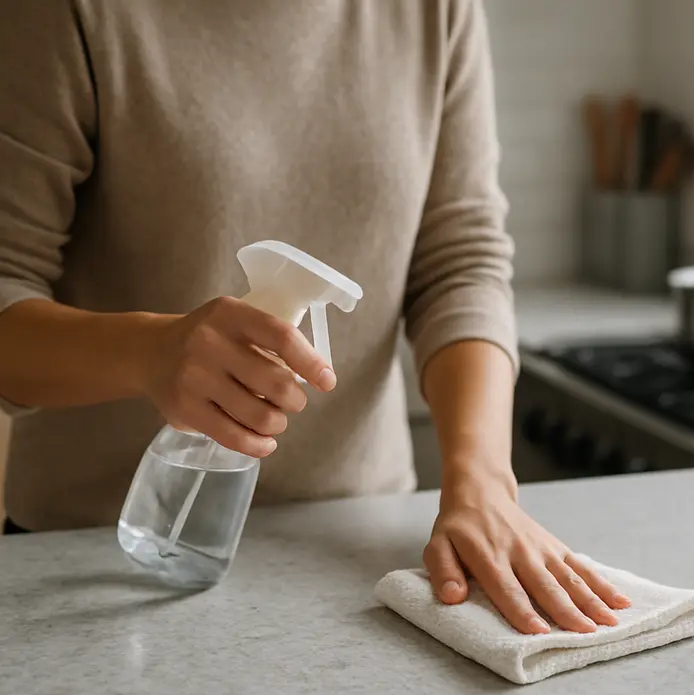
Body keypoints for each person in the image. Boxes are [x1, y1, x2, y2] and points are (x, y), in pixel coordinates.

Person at [0, 0, 631, 634]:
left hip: (354, 563)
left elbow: (460, 267)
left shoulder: (437, 11)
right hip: (95, 568)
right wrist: (148, 352)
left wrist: (483, 480)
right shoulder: (65, 14)